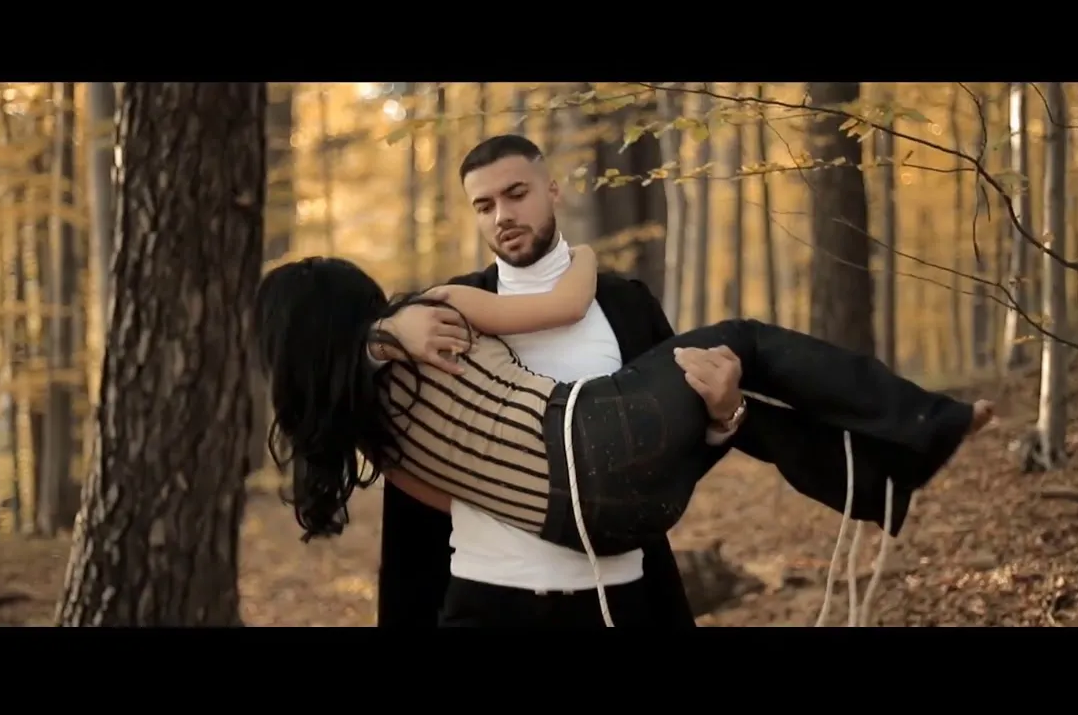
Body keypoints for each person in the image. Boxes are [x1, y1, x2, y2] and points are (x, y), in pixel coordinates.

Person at [256, 247, 994, 624]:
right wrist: (582, 256)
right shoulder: (426, 314)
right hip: (596, 446)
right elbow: (566, 301)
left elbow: (468, 503)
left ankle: (882, 481)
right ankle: (923, 423)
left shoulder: (374, 442)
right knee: (745, 338)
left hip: (601, 524)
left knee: (734, 397)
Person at [371, 135, 747, 628]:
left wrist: (723, 417)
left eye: (516, 194)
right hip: (484, 598)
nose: (502, 216)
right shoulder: (446, 313)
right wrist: (385, 335)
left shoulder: (625, 306)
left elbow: (672, 448)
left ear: (553, 190)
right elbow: (366, 406)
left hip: (617, 597)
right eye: (484, 206)